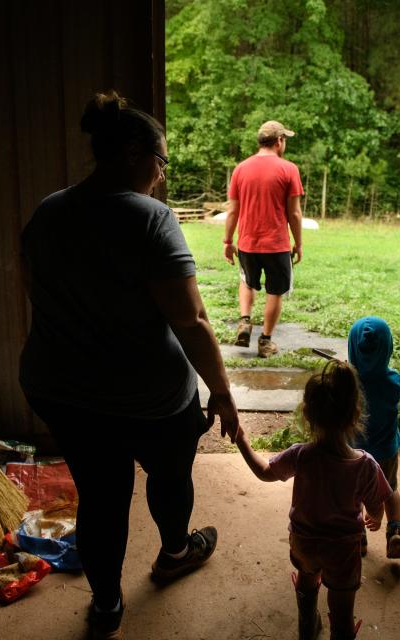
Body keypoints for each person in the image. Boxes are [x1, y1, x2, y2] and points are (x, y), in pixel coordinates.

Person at [19, 91, 240, 640]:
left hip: (61, 389)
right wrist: (222, 391)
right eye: (160, 163)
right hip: (151, 398)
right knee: (169, 476)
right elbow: (190, 322)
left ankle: (107, 604)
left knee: (100, 494)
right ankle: (174, 552)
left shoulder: (48, 211)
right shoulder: (150, 218)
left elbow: (39, 292)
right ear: (134, 153)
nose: (162, 178)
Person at [234, 360, 392, 640]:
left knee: (307, 579)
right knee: (342, 609)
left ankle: (307, 624)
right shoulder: (365, 465)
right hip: (343, 549)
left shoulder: (301, 456)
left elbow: (264, 472)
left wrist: (242, 438)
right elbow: (377, 504)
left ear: (307, 414)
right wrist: (376, 517)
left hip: (304, 542)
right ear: (354, 415)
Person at [224, 120, 304, 358]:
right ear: (279, 141)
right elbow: (295, 213)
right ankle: (265, 341)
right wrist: (298, 243)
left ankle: (245, 321)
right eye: (285, 139)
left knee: (247, 281)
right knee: (275, 291)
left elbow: (232, 211)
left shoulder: (241, 168)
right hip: (276, 245)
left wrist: (227, 242)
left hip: (247, 243)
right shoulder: (289, 169)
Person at [348, 316, 400, 560]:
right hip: (385, 452)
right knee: (390, 490)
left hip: (354, 453)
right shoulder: (393, 382)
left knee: (354, 495)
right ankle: (395, 530)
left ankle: (358, 535)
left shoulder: (348, 384)